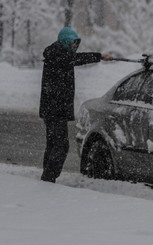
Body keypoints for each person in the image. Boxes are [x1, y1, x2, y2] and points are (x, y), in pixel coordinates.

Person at [39, 27, 112, 183]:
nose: (75, 46)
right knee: (61, 146)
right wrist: (98, 56)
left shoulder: (58, 53)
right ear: (65, 41)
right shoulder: (59, 55)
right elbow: (77, 59)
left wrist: (98, 57)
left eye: (76, 43)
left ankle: (47, 177)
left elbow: (75, 58)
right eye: (73, 43)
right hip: (55, 110)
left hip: (52, 109)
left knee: (53, 145)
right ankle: (48, 178)